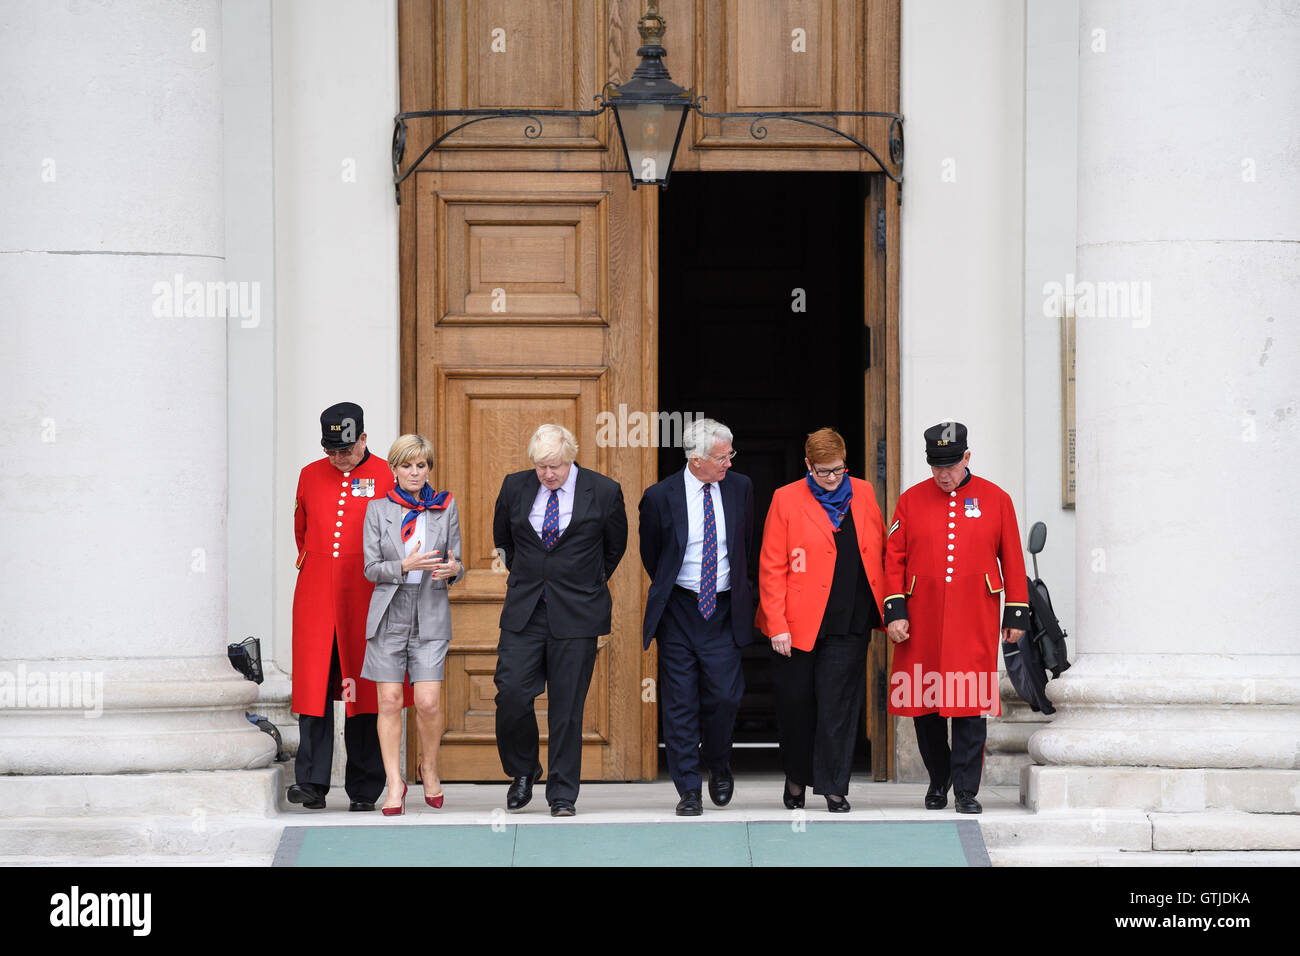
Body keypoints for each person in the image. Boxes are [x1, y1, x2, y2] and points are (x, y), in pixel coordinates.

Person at [882, 422, 1029, 814]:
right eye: (936, 466)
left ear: (967, 457)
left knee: (968, 705)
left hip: (974, 615)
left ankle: (966, 790)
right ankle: (938, 779)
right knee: (925, 705)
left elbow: (1013, 558)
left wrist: (1016, 612)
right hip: (921, 617)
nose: (943, 474)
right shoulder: (910, 500)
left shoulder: (996, 499)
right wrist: (894, 610)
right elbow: (893, 559)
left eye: (950, 465)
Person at [491, 424, 627, 816]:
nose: (548, 474)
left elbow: (613, 548)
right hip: (525, 610)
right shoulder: (515, 486)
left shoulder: (603, 491)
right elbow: (505, 540)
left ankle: (562, 793)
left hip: (578, 613)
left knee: (567, 708)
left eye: (555, 466)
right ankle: (523, 770)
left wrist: (583, 582)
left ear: (571, 457)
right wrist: (530, 577)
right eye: (540, 467)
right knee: (511, 694)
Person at [756, 427, 887, 812]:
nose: (832, 479)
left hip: (850, 619)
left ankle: (833, 786)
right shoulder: (786, 498)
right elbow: (771, 566)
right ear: (808, 465)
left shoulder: (862, 491)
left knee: (839, 706)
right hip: (796, 624)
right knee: (797, 705)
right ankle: (796, 778)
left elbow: (878, 546)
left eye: (838, 471)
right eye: (823, 472)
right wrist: (776, 623)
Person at [639, 418, 754, 816]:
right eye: (722, 457)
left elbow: (746, 548)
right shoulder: (659, 496)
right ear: (696, 458)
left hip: (722, 610)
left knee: (725, 697)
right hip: (680, 610)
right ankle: (688, 788)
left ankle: (719, 763)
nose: (729, 464)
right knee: (679, 704)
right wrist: (682, 589)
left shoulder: (740, 488)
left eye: (730, 455)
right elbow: (653, 557)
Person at [288, 402, 397, 811]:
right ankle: (312, 784)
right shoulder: (309, 475)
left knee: (362, 691)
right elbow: (301, 532)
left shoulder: (387, 474)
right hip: (316, 596)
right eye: (332, 450)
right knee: (313, 689)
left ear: (364, 439)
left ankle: (364, 787)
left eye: (346, 449)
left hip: (366, 596)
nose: (338, 457)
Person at [361, 434, 463, 816]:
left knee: (427, 701)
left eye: (421, 465)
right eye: (407, 465)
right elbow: (370, 569)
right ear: (394, 469)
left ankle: (429, 768)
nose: (415, 472)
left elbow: (457, 561)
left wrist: (454, 570)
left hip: (430, 610)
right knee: (389, 701)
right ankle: (394, 783)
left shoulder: (445, 507)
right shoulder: (377, 510)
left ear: (428, 468)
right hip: (390, 613)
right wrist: (403, 566)